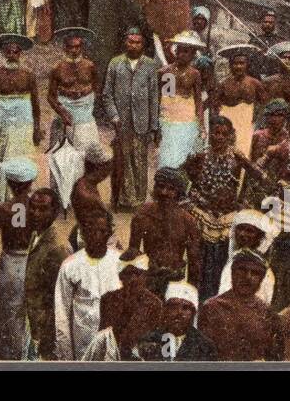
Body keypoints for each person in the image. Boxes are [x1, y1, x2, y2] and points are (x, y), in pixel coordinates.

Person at [0, 157, 38, 360]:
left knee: (8, 308)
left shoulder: (1, 209)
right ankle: (28, 352)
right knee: (30, 308)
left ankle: (9, 353)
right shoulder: (38, 208)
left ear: (10, 184)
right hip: (31, 259)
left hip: (10, 261)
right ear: (30, 184)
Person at [184, 116, 247, 301]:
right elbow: (186, 177)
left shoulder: (237, 158)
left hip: (226, 218)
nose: (219, 137)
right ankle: (198, 300)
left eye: (223, 134)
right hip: (203, 214)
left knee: (221, 261)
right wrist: (195, 198)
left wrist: (240, 200)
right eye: (215, 133)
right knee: (200, 262)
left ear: (230, 136)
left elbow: (255, 177)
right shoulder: (201, 156)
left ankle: (218, 300)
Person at [102, 27, 160, 210]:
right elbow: (107, 94)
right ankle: (122, 199)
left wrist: (154, 125)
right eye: (131, 41)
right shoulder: (115, 63)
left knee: (140, 161)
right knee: (122, 161)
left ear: (143, 45)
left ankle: (139, 200)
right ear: (125, 42)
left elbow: (154, 97)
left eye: (138, 42)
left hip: (142, 122)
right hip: (122, 122)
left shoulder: (150, 65)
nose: (134, 46)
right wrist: (114, 116)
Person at [54, 206, 121, 360]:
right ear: (82, 233)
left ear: (110, 233)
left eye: (102, 231)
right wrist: (66, 355)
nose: (97, 236)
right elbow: (62, 312)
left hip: (113, 341)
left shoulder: (121, 263)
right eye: (91, 231)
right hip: (83, 341)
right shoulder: (70, 265)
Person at [128, 167, 201, 298]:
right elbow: (133, 250)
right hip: (148, 279)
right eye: (160, 186)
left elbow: (194, 263)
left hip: (175, 280)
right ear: (155, 187)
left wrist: (190, 294)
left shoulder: (188, 221)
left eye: (171, 189)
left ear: (179, 192)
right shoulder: (143, 214)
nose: (164, 192)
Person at [198, 248, 282, 361]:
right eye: (242, 270)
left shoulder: (267, 312)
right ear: (232, 272)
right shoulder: (211, 307)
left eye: (255, 273)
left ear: (261, 279)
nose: (247, 277)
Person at [0, 33, 42, 198]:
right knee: (1, 156)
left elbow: (35, 104)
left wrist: (37, 128)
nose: (11, 56)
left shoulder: (28, 75)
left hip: (24, 122)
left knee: (23, 154)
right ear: (3, 53)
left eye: (15, 52)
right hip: (2, 122)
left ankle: (22, 194)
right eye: (8, 52)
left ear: (20, 54)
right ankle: (3, 195)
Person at [21, 187, 69, 360]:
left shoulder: (57, 248)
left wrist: (46, 338)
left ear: (55, 212)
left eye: (42, 209)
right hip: (31, 321)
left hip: (43, 330)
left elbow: (60, 300)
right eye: (32, 207)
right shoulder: (36, 235)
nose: (35, 213)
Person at [92, 249, 163, 360]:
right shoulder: (108, 299)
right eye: (128, 274)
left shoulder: (154, 304)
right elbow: (103, 338)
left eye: (137, 273)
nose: (133, 279)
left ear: (145, 275)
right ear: (120, 276)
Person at [46, 26, 98, 159]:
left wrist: (89, 102)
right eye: (70, 47)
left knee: (87, 153)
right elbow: (51, 96)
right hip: (65, 111)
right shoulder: (57, 68)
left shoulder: (89, 66)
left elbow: (97, 88)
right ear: (65, 48)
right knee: (63, 156)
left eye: (77, 47)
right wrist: (62, 112)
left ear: (82, 47)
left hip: (85, 113)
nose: (74, 50)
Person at [157, 31, 206, 170]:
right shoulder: (167, 72)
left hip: (187, 119)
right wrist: (158, 122)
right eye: (179, 51)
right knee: (168, 152)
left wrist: (201, 124)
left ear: (192, 54)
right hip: (169, 118)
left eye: (186, 52)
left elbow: (198, 100)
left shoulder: (195, 74)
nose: (182, 55)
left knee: (185, 154)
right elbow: (167, 97)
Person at [139, 281, 217, 361]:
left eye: (185, 308)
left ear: (194, 313)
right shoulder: (148, 340)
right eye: (173, 307)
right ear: (165, 310)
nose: (179, 312)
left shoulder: (205, 347)